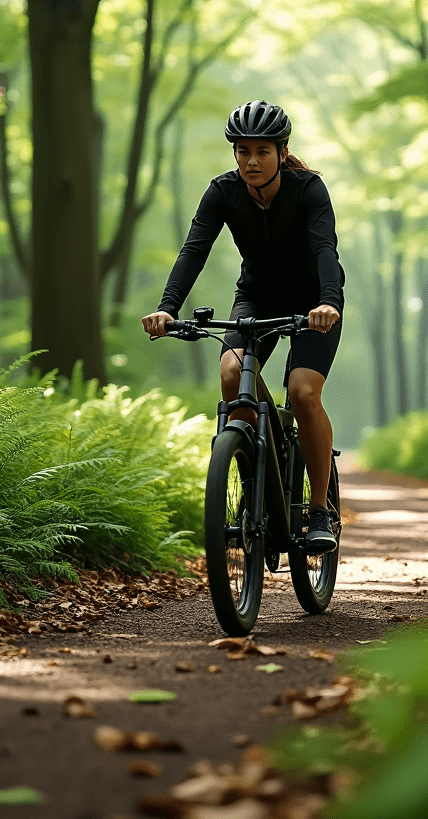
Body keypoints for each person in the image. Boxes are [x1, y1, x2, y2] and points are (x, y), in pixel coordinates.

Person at [142, 100, 344, 552]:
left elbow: (324, 250)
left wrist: (328, 303)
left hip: (314, 302)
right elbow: (193, 251)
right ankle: (260, 477)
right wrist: (167, 307)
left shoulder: (309, 189)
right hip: (255, 297)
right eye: (242, 151)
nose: (251, 161)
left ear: (281, 151)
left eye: (262, 152)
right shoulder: (223, 192)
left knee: (303, 392)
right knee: (233, 376)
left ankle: (317, 511)